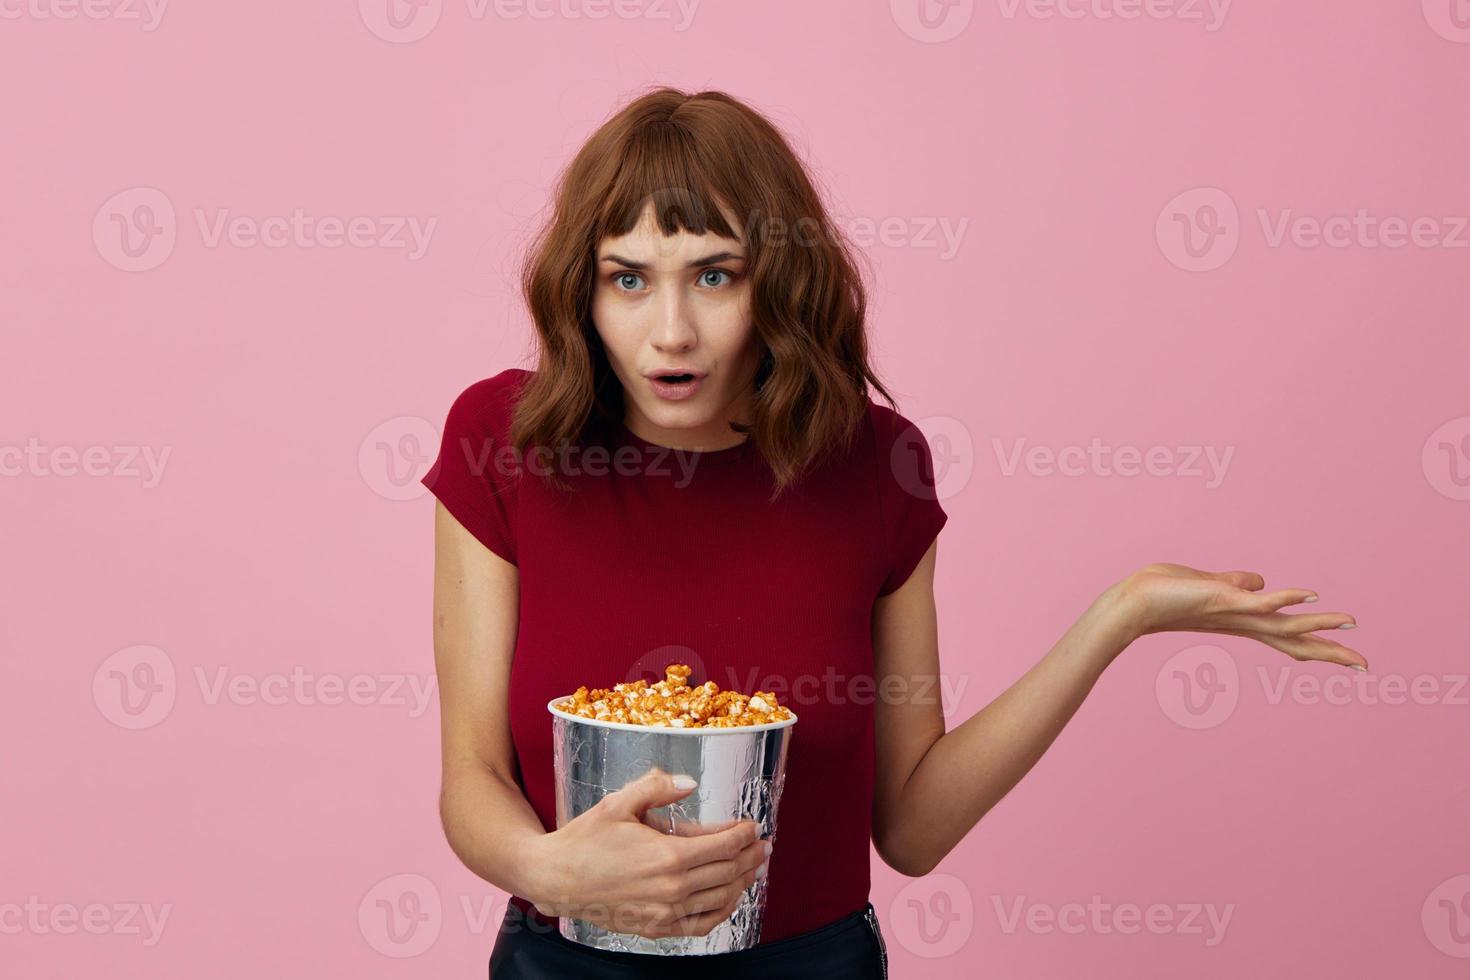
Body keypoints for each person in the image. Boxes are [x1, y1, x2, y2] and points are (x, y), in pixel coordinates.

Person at [420, 87, 1367, 979]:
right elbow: (471, 779)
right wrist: (553, 875)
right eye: (629, 280)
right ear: (583, 296)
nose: (671, 330)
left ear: (777, 282)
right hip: (566, 959)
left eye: (715, 275)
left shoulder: (874, 465)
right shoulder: (503, 443)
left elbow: (913, 828)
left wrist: (1120, 617)